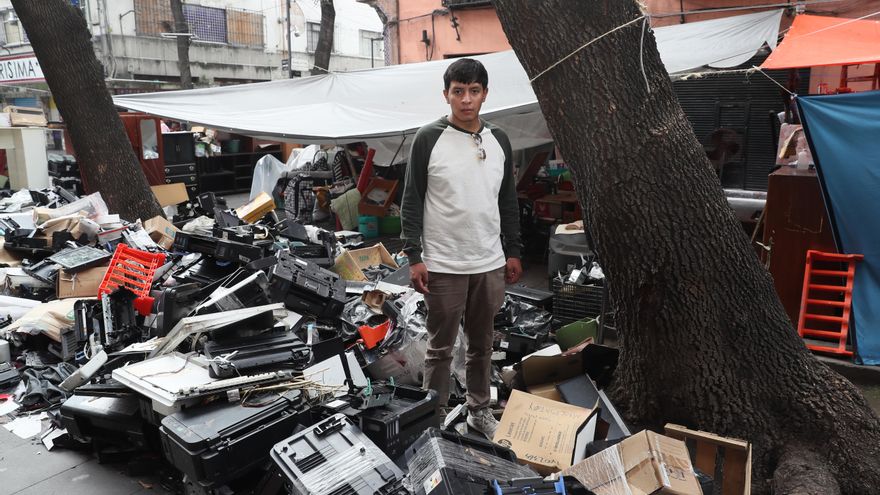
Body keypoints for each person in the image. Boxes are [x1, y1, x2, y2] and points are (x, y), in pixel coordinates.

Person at [400, 58, 522, 439]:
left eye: (473, 91)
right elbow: (411, 200)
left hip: (489, 261)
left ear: (485, 94)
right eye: (458, 91)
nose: (466, 99)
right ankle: (431, 418)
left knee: (482, 345)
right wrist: (414, 256)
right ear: (446, 94)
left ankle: (479, 410)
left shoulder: (499, 139)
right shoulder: (428, 138)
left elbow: (507, 200)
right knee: (440, 348)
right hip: (444, 262)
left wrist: (514, 249)